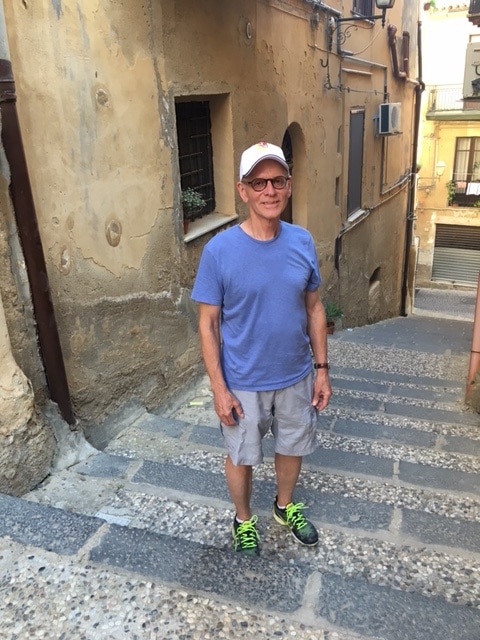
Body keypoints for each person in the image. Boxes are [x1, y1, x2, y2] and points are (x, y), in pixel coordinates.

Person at [191, 141, 332, 556]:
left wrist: (321, 369)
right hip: (243, 382)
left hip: (295, 375)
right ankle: (243, 519)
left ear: (288, 187)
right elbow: (208, 323)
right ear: (243, 190)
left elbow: (315, 306)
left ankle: (283, 507)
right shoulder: (218, 251)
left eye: (278, 181)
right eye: (259, 182)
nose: (269, 191)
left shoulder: (302, 242)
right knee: (241, 456)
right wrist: (219, 388)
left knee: (292, 447)